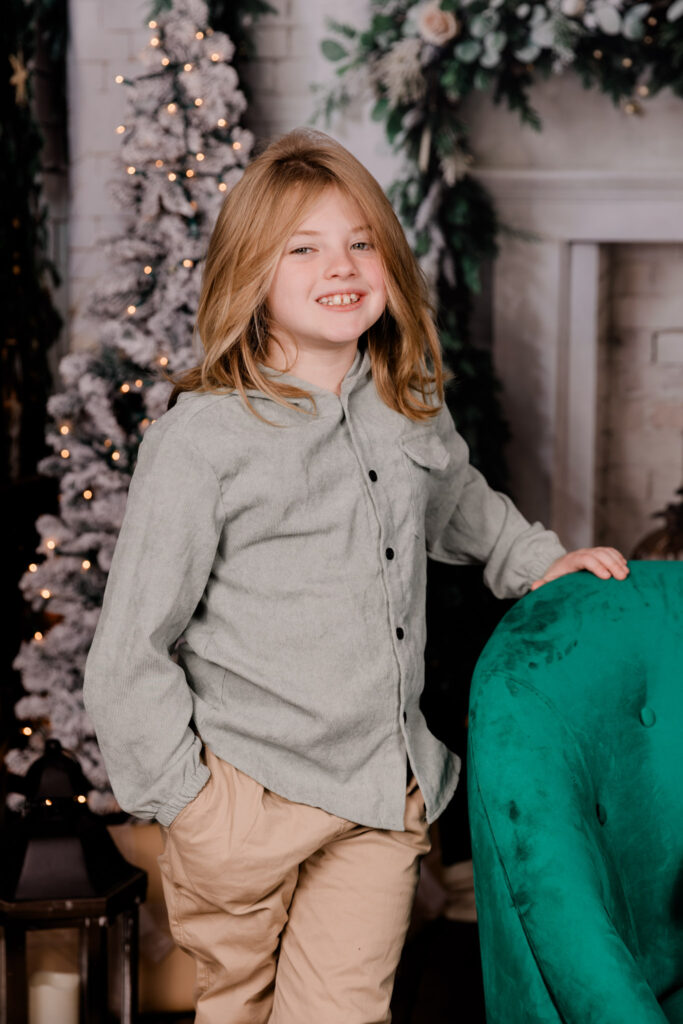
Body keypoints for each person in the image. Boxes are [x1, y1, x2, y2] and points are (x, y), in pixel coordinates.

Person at [82, 127, 629, 1024]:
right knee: (237, 1013)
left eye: (359, 242)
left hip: (380, 792)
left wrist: (538, 559)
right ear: (251, 273)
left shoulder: (404, 397)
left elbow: (454, 502)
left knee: (343, 1012)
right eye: (303, 248)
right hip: (243, 798)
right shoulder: (203, 440)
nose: (340, 266)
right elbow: (131, 645)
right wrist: (185, 803)